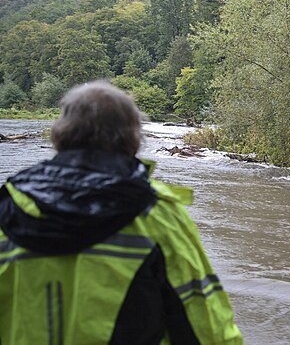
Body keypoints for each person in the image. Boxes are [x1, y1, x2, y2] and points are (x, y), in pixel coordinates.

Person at [0, 81, 243, 344]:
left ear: (59, 135)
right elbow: (206, 326)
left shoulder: (7, 206)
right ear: (134, 139)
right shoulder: (158, 215)